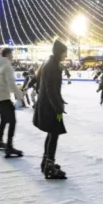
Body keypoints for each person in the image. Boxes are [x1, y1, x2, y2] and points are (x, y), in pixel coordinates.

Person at [33, 41, 68, 180]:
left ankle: (46, 162)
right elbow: (51, 90)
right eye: (65, 52)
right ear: (60, 52)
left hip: (49, 106)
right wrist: (58, 107)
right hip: (52, 108)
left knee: (52, 134)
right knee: (54, 134)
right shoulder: (53, 66)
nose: (66, 55)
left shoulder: (50, 64)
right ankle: (49, 167)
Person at [0, 48, 24, 157]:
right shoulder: (7, 66)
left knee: (4, 119)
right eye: (11, 54)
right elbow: (11, 83)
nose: (13, 56)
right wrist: (20, 96)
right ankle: (9, 147)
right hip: (4, 98)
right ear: (7, 55)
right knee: (12, 121)